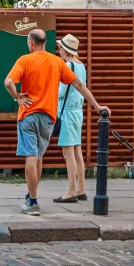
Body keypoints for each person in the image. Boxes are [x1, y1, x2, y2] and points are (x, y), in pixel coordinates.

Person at [4, 29, 108, 216]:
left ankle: (33, 202)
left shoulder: (24, 60)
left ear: (31, 43)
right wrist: (97, 106)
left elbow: (8, 82)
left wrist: (18, 97)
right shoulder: (58, 62)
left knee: (30, 156)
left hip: (28, 114)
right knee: (38, 156)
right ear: (45, 43)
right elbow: (79, 85)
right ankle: (31, 195)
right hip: (48, 118)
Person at [54, 34, 87, 204]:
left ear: (64, 50)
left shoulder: (68, 65)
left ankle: (71, 191)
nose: (58, 50)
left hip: (67, 112)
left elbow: (60, 92)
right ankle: (81, 189)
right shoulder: (81, 65)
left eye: (60, 47)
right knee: (77, 151)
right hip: (78, 111)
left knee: (68, 153)